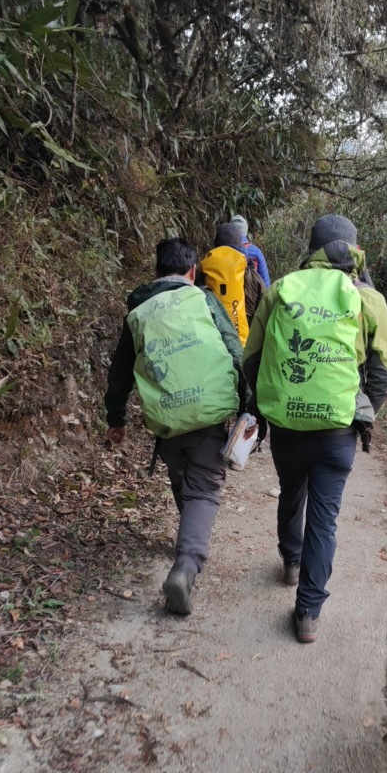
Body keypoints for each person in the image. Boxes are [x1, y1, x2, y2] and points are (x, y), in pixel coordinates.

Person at [242, 214, 387, 643]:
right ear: (354, 250)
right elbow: (382, 374)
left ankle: (291, 562)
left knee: (292, 491)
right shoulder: (369, 299)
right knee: (324, 520)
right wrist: (364, 412)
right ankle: (308, 613)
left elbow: (250, 359)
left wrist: (266, 404)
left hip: (288, 425)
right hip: (337, 429)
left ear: (311, 249)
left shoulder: (280, 289)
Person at [104, 237, 247, 616]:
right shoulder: (203, 299)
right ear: (193, 272)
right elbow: (235, 351)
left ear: (156, 272)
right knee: (203, 490)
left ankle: (188, 541)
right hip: (209, 414)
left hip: (166, 419)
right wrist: (250, 407)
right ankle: (187, 563)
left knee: (181, 474)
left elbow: (119, 375)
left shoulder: (139, 311)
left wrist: (115, 420)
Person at [231, 214, 271, 287]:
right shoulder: (256, 251)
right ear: (245, 231)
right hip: (252, 294)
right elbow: (265, 281)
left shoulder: (225, 250)